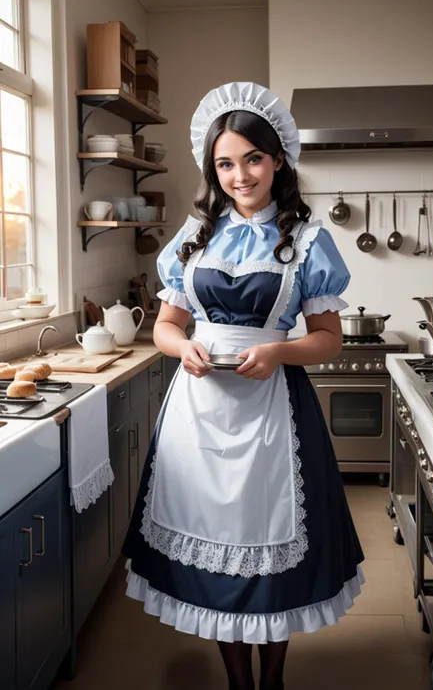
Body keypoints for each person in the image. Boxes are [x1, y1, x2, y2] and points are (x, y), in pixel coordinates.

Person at [123, 81, 364, 690]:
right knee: (216, 550)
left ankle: (274, 680)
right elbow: (166, 329)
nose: (239, 175)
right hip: (197, 410)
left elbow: (328, 339)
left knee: (269, 548)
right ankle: (237, 682)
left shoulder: (308, 241)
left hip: (273, 410)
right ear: (213, 167)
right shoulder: (194, 237)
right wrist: (187, 349)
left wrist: (279, 350)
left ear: (278, 158)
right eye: (225, 163)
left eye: (252, 158)